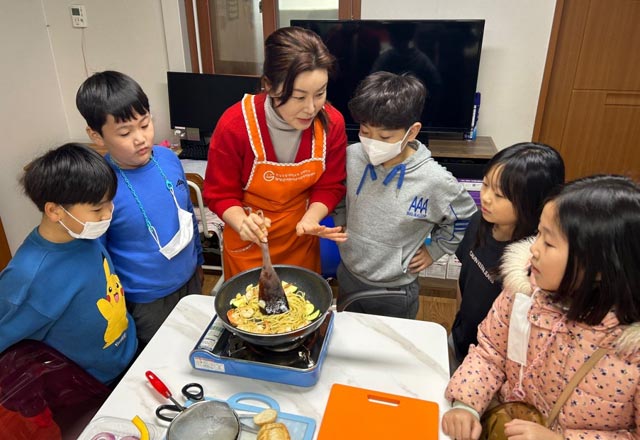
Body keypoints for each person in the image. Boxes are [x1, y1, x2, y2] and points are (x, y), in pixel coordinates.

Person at [442, 175, 640, 440]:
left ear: (602, 265)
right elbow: (490, 353)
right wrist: (466, 405)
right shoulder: (524, 292)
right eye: (539, 234)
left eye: (549, 242)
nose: (533, 249)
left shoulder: (631, 349)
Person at [203, 26, 347, 279]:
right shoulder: (236, 125)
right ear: (268, 85)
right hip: (249, 242)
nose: (311, 108)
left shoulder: (332, 124)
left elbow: (331, 185)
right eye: (298, 96)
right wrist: (241, 222)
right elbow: (219, 193)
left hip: (300, 240)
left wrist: (311, 219)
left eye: (320, 94)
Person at [333, 71, 477, 319]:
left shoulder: (435, 180)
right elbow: (337, 189)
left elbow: (466, 217)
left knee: (392, 351)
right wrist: (341, 219)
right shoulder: (352, 155)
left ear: (412, 132)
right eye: (365, 132)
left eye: (385, 137)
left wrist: (437, 249)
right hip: (348, 273)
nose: (371, 143)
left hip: (395, 288)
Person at [76, 71, 204, 346]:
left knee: (197, 344)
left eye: (145, 124)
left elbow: (187, 216)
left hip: (191, 279)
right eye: (125, 132)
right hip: (146, 300)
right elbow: (98, 256)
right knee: (163, 358)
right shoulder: (100, 189)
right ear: (97, 136)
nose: (141, 139)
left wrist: (200, 261)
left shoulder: (168, 158)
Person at [0, 143, 137, 384]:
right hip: (91, 384)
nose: (108, 215)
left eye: (110, 203)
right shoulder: (29, 277)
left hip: (126, 354)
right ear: (54, 211)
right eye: (97, 209)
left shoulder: (83, 235)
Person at [450, 143, 565, 366]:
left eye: (500, 195)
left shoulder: (532, 259)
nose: (486, 198)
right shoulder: (479, 222)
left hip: (496, 362)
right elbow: (464, 278)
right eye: (485, 185)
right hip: (461, 339)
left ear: (533, 203)